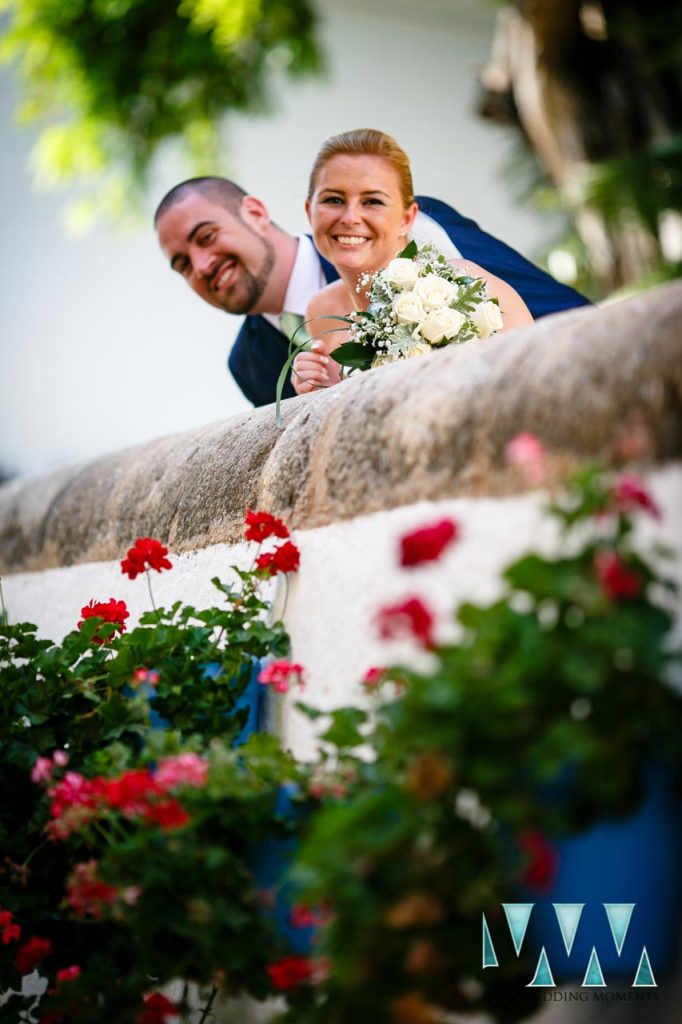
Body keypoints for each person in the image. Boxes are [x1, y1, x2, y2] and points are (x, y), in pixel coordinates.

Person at [155, 168, 590, 408]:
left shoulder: (392, 231)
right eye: (182, 265)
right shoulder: (249, 366)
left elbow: (549, 310)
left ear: (253, 212)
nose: (202, 265)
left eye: (206, 237)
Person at [293, 128, 534, 394]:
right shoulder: (322, 312)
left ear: (407, 219)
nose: (350, 218)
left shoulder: (470, 289)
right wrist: (325, 391)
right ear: (309, 211)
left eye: (372, 201)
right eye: (333, 200)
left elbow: (532, 388)